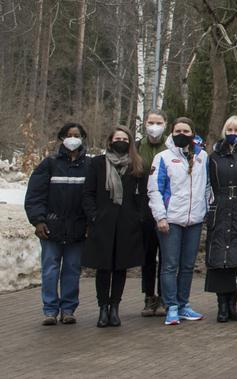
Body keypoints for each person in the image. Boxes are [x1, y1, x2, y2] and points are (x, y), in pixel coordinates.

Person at [83, 126, 148, 328]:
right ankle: (103, 307)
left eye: (125, 139)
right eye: (117, 138)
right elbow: (88, 193)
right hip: (103, 223)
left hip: (127, 224)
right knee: (103, 268)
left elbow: (143, 195)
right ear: (110, 141)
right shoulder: (97, 163)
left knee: (120, 268)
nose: (121, 142)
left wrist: (138, 217)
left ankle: (115, 308)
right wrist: (94, 216)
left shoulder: (137, 165)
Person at [26, 123, 90, 325]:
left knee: (72, 269)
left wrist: (91, 223)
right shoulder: (49, 164)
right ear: (62, 138)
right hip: (51, 228)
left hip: (77, 229)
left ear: (82, 138)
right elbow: (35, 195)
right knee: (50, 270)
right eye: (69, 135)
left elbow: (93, 198)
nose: (73, 138)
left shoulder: (89, 165)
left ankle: (68, 309)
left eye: (77, 135)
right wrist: (38, 221)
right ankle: (50, 310)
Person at [148, 118, 208, 325]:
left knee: (188, 265)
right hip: (171, 220)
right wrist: (160, 216)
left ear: (193, 134)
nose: (182, 134)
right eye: (178, 131)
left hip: (194, 220)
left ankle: (184, 304)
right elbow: (155, 189)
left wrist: (205, 210)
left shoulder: (202, 157)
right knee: (170, 265)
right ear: (172, 133)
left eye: (186, 131)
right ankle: (171, 306)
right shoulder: (162, 157)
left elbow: (207, 186)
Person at [204, 115, 237, 324]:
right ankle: (222, 306)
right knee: (220, 260)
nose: (233, 134)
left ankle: (234, 304)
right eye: (230, 130)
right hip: (220, 208)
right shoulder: (215, 156)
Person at [137, 110, 168, 317]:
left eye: (158, 122)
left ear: (165, 124)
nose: (154, 126)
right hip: (144, 208)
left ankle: (165, 296)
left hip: (167, 207)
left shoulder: (171, 146)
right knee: (148, 255)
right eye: (151, 122)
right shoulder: (137, 147)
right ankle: (149, 296)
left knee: (166, 256)